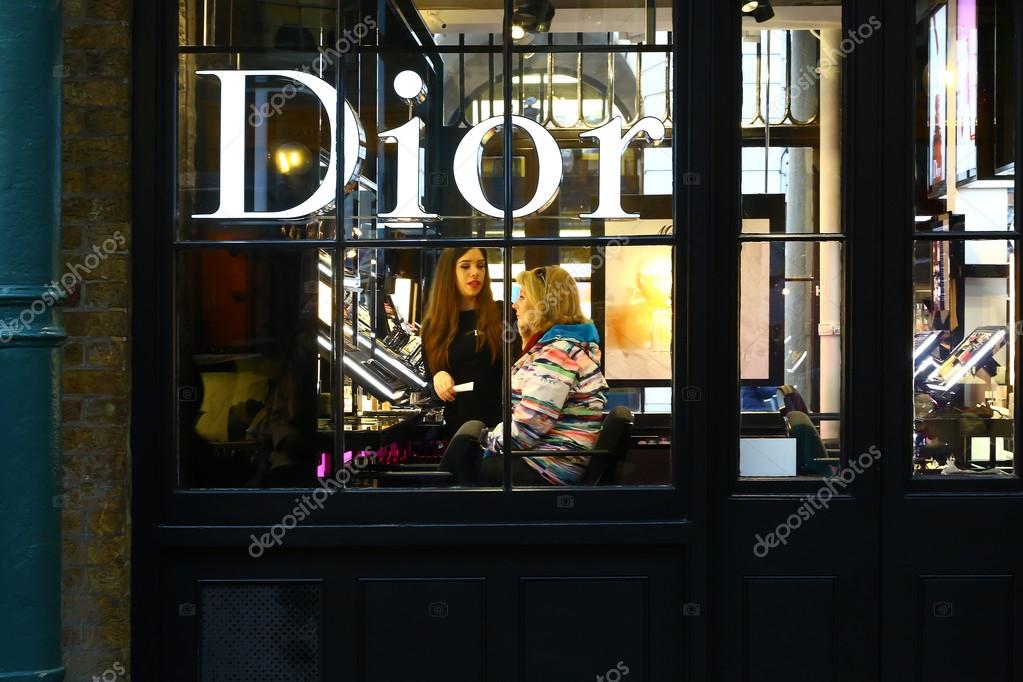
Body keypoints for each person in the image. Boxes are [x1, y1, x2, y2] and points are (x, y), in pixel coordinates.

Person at [474, 265, 608, 486]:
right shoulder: (561, 348)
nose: (514, 305)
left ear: (543, 306)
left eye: (523, 298)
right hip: (547, 458)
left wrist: (486, 440)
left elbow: (528, 428)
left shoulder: (558, 354)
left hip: (549, 466)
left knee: (465, 459)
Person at [420, 247, 505, 438]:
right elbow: (430, 384)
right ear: (449, 273)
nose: (475, 272)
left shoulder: (502, 315)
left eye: (481, 266)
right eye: (465, 266)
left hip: (498, 429)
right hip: (456, 430)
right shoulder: (433, 327)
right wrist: (439, 377)